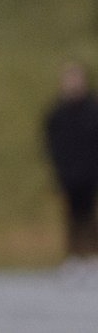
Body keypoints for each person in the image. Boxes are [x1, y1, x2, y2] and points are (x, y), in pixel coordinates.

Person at [44, 60, 98, 264]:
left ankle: (93, 255)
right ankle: (74, 257)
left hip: (91, 172)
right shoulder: (57, 114)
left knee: (91, 215)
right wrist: (59, 169)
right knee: (71, 216)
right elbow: (51, 144)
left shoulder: (93, 110)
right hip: (68, 173)